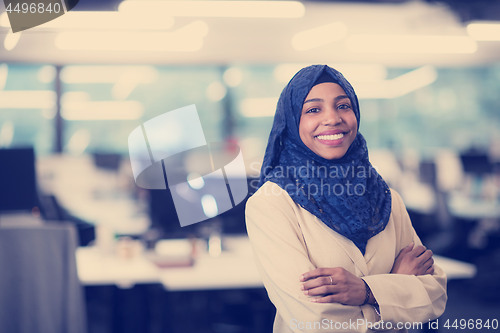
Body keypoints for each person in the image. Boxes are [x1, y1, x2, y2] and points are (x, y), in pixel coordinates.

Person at [245, 65, 447, 333]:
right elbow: (314, 321)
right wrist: (391, 290)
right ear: (292, 122)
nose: (333, 118)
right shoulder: (271, 204)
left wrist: (365, 291)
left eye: (343, 106)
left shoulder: (386, 199)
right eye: (313, 109)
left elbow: (434, 295)